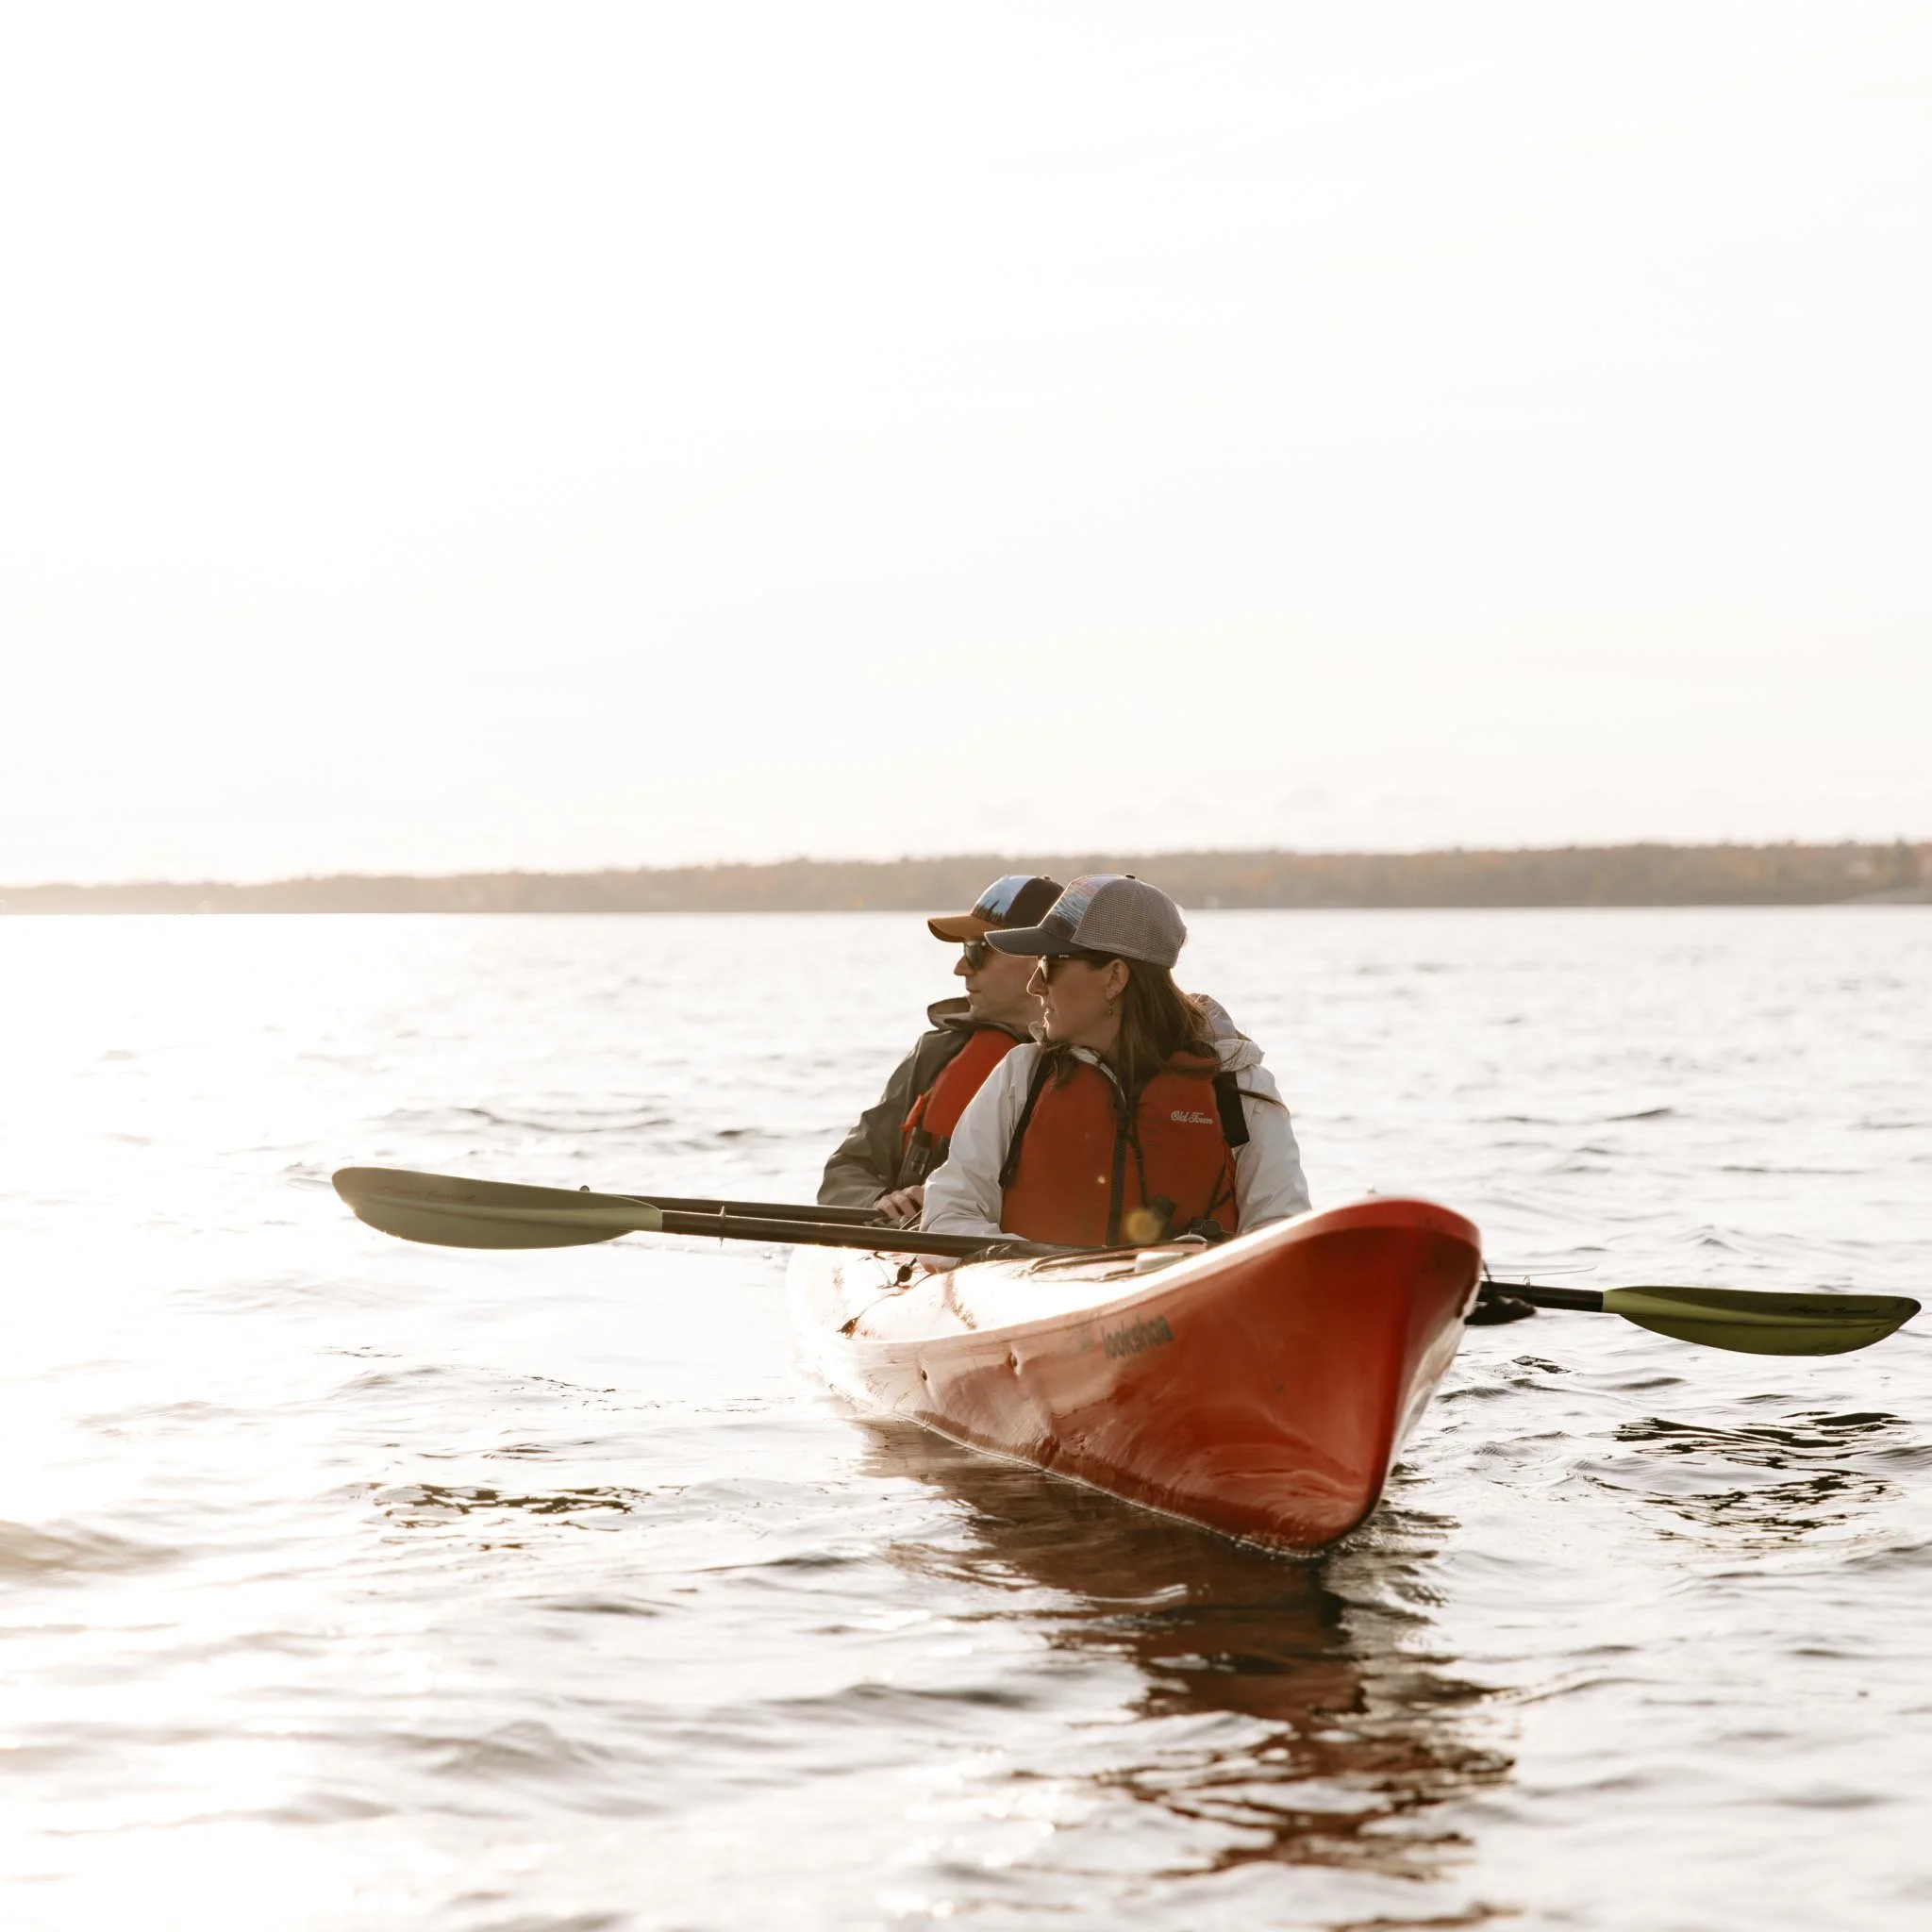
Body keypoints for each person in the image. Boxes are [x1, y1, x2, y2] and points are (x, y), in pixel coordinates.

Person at [921, 874, 1309, 1245]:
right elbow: (948, 1216)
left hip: (1183, 1305)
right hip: (1038, 1296)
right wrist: (1039, 1270)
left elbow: (1279, 1231)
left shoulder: (1238, 1085)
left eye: (1049, 965)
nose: (1034, 985)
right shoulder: (1020, 1076)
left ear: (1114, 978)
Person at [818, 874, 1064, 1221]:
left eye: (976, 951)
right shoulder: (934, 1055)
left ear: (1035, 957)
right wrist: (877, 1201)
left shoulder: (1096, 1060)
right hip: (917, 1256)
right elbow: (847, 1169)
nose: (960, 968)